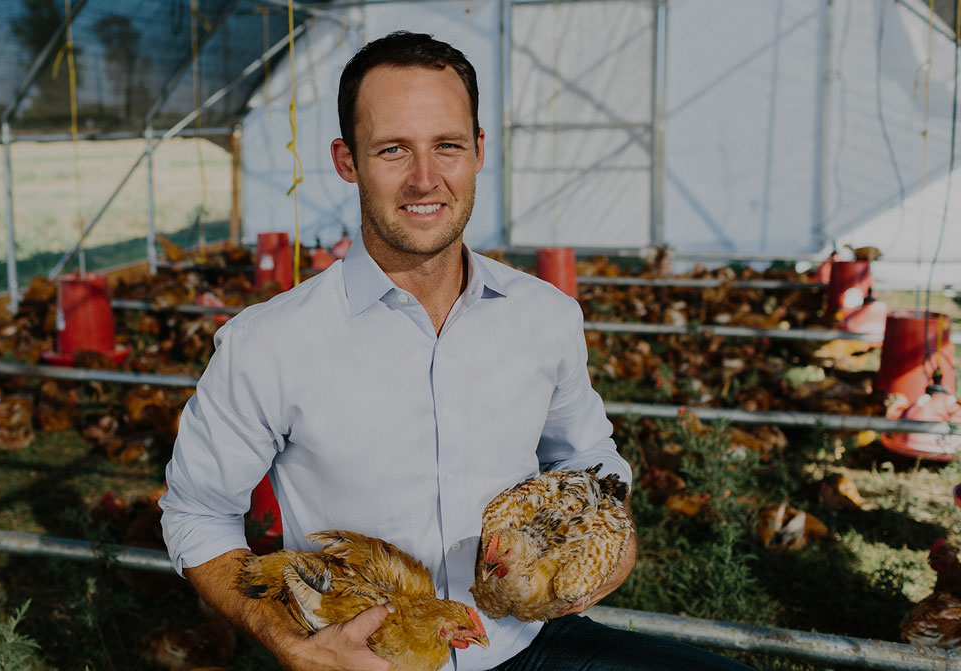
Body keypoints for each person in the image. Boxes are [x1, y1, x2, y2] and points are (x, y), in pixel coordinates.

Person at [161, 31, 752, 671]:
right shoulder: (268, 343)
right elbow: (197, 513)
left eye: (447, 145)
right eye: (393, 149)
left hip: (523, 642)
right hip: (373, 661)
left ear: (478, 151)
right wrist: (293, 644)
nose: (425, 179)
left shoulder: (544, 316)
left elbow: (587, 459)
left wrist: (613, 542)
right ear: (346, 161)